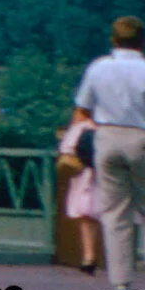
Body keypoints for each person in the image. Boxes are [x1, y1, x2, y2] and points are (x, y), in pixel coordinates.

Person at [72, 15, 145, 290]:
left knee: (114, 212)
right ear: (143, 41)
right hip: (142, 138)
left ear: (113, 40)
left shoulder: (98, 68)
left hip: (107, 138)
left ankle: (121, 284)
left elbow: (82, 109)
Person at [56, 112, 103, 276]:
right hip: (108, 176)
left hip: (84, 176)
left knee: (86, 216)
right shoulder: (113, 128)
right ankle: (113, 257)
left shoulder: (80, 128)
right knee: (109, 216)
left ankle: (89, 256)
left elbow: (66, 149)